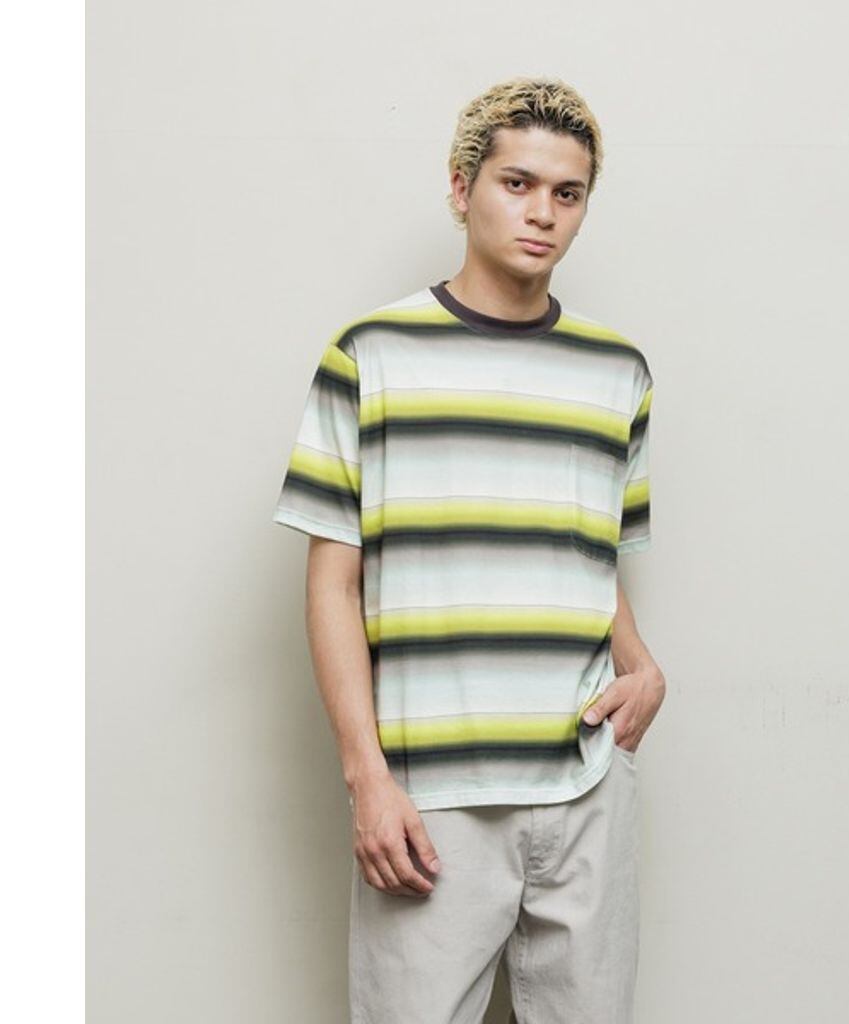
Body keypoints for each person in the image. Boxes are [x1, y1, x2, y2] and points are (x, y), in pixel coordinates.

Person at [271, 76, 666, 1024]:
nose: (543, 213)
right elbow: (332, 584)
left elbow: (587, 554)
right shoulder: (369, 354)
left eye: (567, 193)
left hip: (585, 782)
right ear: (462, 188)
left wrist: (641, 664)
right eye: (517, 183)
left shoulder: (619, 371)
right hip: (430, 795)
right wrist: (367, 778)